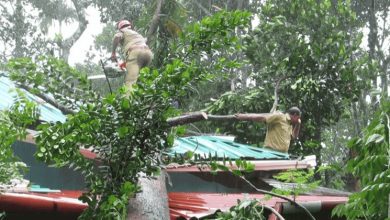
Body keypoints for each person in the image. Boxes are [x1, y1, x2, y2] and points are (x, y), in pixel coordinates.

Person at [110, 19, 153, 91]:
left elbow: (117, 37)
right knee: (142, 77)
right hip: (148, 54)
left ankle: (128, 101)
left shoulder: (123, 31)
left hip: (135, 52)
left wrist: (113, 53)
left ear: (120, 27)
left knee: (130, 82)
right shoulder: (137, 34)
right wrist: (126, 63)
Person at [235, 107, 301, 153]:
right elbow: (262, 118)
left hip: (283, 155)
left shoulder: (290, 124)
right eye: (298, 118)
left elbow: (294, 137)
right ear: (295, 115)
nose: (298, 120)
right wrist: (244, 116)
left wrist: (298, 124)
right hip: (271, 153)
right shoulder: (280, 116)